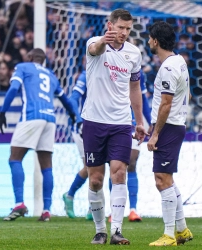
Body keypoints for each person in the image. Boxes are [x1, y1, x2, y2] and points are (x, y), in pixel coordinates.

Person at [81, 9, 148, 245]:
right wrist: (102, 41)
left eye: (128, 29)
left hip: (121, 123)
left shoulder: (133, 53)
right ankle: (100, 230)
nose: (124, 33)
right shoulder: (95, 44)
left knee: (120, 172)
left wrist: (139, 121)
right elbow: (94, 50)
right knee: (96, 180)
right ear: (111, 25)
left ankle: (116, 230)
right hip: (94, 122)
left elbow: (134, 89)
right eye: (120, 28)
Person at [0, 48, 76, 222]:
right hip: (50, 119)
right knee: (46, 165)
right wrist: (73, 115)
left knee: (15, 158)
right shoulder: (51, 75)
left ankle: (19, 203)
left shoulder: (23, 67)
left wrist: (3, 111)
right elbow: (65, 100)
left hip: (32, 116)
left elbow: (13, 88)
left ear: (30, 57)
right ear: (43, 60)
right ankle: (46, 210)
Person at [146, 21, 193, 246]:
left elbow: (166, 103)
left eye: (149, 38)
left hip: (169, 127)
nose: (148, 42)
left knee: (161, 179)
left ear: (155, 41)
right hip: (174, 124)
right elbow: (188, 96)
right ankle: (182, 230)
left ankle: (169, 235)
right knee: (168, 180)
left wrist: (156, 134)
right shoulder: (180, 62)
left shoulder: (167, 67)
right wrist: (153, 126)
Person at [108, 70, 152, 223]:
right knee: (114, 166)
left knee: (131, 163)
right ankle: (114, 209)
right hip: (113, 121)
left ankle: (133, 209)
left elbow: (143, 99)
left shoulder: (138, 71)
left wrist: (150, 122)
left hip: (133, 123)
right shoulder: (110, 65)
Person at [62, 70, 93, 220]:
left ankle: (70, 196)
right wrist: (79, 120)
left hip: (103, 124)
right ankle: (92, 206)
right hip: (83, 127)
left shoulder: (113, 71)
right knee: (92, 165)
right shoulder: (86, 75)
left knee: (94, 166)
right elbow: (73, 99)